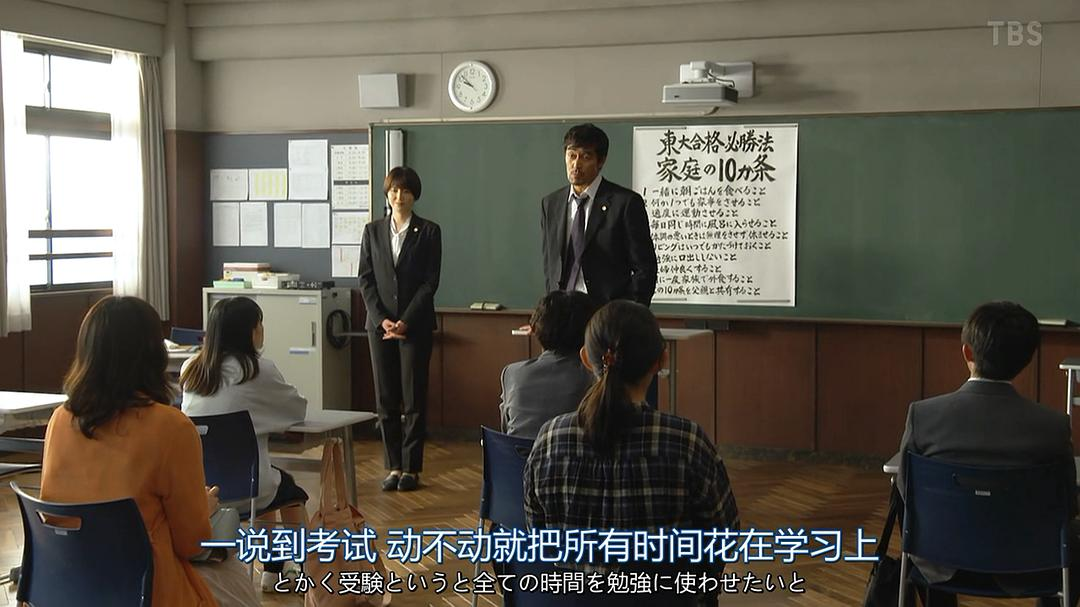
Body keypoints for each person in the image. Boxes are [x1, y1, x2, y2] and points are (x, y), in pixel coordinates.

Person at [40, 296, 257, 607]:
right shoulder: (171, 427)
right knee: (234, 574)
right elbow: (192, 544)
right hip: (146, 589)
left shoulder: (61, 420)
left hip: (71, 585)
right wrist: (204, 508)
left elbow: (55, 515)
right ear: (154, 353)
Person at [524, 300, 739, 559]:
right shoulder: (688, 442)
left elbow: (537, 534)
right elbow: (724, 538)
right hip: (666, 586)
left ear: (586, 359)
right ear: (661, 360)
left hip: (568, 584)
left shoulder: (549, 439)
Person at [896, 301, 1077, 607]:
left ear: (967, 352)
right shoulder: (1053, 426)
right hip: (1030, 564)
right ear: (1027, 359)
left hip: (941, 562)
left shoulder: (923, 416)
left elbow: (906, 493)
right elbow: (1067, 504)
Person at [180, 296, 308, 591]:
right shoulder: (258, 369)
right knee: (289, 492)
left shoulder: (191, 369)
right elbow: (295, 411)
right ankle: (302, 572)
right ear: (250, 331)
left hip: (203, 490)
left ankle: (272, 570)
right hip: (250, 488)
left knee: (264, 485)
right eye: (260, 324)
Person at [358, 166, 442, 492]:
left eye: (405, 191)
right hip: (379, 326)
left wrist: (405, 320)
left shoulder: (429, 231)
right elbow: (366, 279)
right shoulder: (372, 231)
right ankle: (393, 465)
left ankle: (412, 468)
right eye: (394, 190)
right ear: (387, 193)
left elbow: (430, 282)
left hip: (414, 325)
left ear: (414, 195)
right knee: (386, 398)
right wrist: (382, 319)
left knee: (414, 397)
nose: (399, 196)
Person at [540, 123, 658, 307]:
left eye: (585, 157)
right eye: (572, 155)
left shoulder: (625, 203)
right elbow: (551, 265)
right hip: (562, 312)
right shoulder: (551, 204)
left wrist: (627, 312)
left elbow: (645, 268)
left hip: (606, 312)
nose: (576, 164)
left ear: (601, 161)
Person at [500, 290, 596, 438]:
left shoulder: (512, 373)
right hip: (568, 452)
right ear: (590, 332)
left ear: (535, 329)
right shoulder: (594, 377)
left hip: (519, 453)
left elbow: (506, 431)